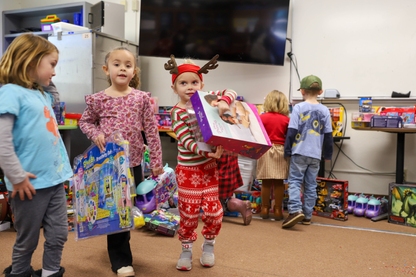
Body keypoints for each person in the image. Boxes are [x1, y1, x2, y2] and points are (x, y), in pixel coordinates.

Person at [78, 46, 164, 277]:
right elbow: (84, 122)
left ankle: (122, 250)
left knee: (133, 211)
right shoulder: (98, 100)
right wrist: (95, 134)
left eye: (128, 65)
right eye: (117, 64)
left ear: (134, 70)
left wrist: (156, 160)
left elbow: (152, 131)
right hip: (109, 166)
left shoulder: (141, 98)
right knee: (117, 213)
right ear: (107, 69)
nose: (122, 68)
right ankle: (121, 260)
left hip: (134, 164)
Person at [0, 33, 72, 277]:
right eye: (52, 64)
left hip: (54, 179)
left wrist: (43, 77)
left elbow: (55, 99)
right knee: (27, 238)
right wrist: (16, 175)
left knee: (59, 233)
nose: (54, 72)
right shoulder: (10, 92)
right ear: (31, 61)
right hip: (28, 183)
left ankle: (51, 272)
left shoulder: (40, 94)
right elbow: (2, 140)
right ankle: (19, 272)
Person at [164, 54, 235, 271]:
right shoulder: (177, 112)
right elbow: (185, 140)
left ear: (202, 83)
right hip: (188, 170)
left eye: (194, 82)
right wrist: (207, 154)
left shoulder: (206, 98)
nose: (190, 87)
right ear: (174, 87)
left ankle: (209, 245)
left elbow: (230, 92)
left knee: (214, 212)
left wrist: (223, 102)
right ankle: (186, 249)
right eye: (183, 83)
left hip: (209, 169)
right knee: (189, 213)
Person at [282, 75, 333, 228]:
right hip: (315, 155)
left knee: (295, 181)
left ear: (302, 91)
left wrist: (287, 150)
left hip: (299, 152)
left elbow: (292, 131)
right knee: (311, 184)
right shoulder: (325, 110)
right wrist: (328, 154)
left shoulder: (298, 107)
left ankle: (295, 210)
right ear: (321, 91)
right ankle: (307, 216)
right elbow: (329, 135)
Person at [256, 90, 290, 221]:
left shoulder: (262, 117)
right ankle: (278, 210)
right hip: (281, 150)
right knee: (279, 182)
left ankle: (265, 209)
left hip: (265, 149)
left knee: (265, 181)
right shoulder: (286, 119)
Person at [217, 151, 253, 226]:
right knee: (224, 196)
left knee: (214, 196)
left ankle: (237, 205)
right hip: (230, 157)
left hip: (218, 157)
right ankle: (239, 204)